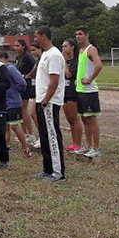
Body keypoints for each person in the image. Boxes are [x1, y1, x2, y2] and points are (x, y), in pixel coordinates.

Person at [34, 26, 66, 182]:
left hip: (50, 102)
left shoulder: (54, 55)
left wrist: (46, 99)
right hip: (42, 100)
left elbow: (54, 81)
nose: (35, 39)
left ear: (44, 36)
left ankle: (58, 173)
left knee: (52, 136)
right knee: (44, 136)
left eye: (37, 36)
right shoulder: (45, 54)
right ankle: (47, 169)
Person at [0, 51, 31, 158]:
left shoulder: (10, 68)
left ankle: (26, 148)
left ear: (3, 58)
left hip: (12, 102)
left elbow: (21, 82)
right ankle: (4, 148)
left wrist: (15, 92)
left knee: (14, 125)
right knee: (5, 127)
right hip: (3, 102)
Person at [75, 27, 104, 158]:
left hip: (89, 91)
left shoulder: (91, 49)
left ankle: (96, 148)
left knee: (91, 119)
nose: (78, 37)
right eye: (76, 34)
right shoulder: (80, 51)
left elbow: (99, 65)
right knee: (84, 119)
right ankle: (87, 146)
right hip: (80, 90)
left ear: (87, 35)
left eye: (80, 34)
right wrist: (77, 80)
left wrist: (90, 79)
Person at [61, 38, 84, 152]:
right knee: (69, 119)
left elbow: (69, 74)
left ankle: (78, 144)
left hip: (73, 92)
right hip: (64, 91)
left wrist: (64, 62)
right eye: (63, 47)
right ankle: (74, 143)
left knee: (75, 119)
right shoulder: (65, 61)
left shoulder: (76, 61)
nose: (63, 49)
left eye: (65, 46)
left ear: (72, 47)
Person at [13, 39, 37, 145]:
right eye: (15, 46)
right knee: (21, 109)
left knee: (24, 109)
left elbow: (35, 66)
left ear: (23, 46)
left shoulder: (28, 56)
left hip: (27, 85)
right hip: (19, 84)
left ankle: (30, 134)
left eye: (18, 45)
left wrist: (28, 75)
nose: (16, 48)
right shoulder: (19, 57)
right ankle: (25, 133)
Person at [26, 42, 43, 149]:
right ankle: (42, 135)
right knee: (33, 113)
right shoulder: (37, 61)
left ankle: (43, 136)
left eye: (34, 50)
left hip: (42, 92)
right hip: (36, 90)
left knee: (35, 113)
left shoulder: (45, 58)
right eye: (31, 50)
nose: (32, 53)